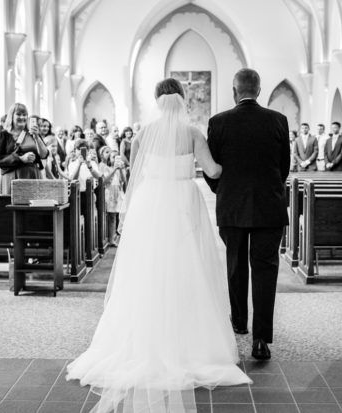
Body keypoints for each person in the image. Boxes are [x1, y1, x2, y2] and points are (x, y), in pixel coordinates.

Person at [66, 78, 251, 412]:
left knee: (146, 270)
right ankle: (189, 341)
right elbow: (213, 169)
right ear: (182, 100)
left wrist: (129, 214)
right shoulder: (193, 132)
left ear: (156, 101)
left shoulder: (142, 134)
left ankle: (142, 339)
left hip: (149, 204)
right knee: (187, 267)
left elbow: (135, 175)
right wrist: (236, 160)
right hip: (182, 202)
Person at [204, 68, 290, 361]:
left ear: (234, 90)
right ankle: (261, 340)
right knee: (266, 270)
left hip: (232, 206)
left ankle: (239, 322)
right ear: (259, 90)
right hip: (269, 206)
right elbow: (284, 167)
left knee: (236, 264)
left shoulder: (218, 122)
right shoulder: (278, 121)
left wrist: (223, 190)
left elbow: (211, 168)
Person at [0, 103, 48, 195]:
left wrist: (37, 137)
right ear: (12, 115)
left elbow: (44, 155)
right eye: (18, 114)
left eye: (24, 114)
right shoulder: (4, 134)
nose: (22, 117)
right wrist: (20, 159)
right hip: (12, 177)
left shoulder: (32, 133)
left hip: (32, 175)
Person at [98, 147, 126, 246]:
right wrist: (114, 169)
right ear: (109, 158)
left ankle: (112, 238)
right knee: (108, 216)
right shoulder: (105, 167)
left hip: (116, 193)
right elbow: (106, 181)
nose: (114, 159)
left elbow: (123, 180)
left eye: (117, 157)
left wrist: (121, 169)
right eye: (113, 157)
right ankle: (106, 238)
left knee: (114, 217)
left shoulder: (118, 168)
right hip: (108, 193)